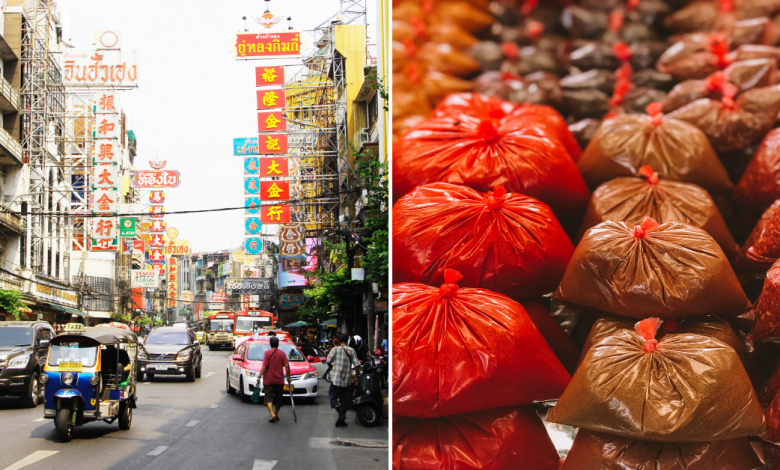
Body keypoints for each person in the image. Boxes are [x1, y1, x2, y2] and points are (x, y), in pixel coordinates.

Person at [326, 333, 359, 427]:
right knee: (345, 400)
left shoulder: (335, 350)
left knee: (332, 397)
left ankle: (340, 413)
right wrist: (356, 377)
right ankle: (342, 419)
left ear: (338, 341)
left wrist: (332, 368)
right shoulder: (351, 350)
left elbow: (328, 361)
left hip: (336, 379)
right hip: (347, 379)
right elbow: (357, 364)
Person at [257, 336, 291, 423]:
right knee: (278, 397)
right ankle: (276, 415)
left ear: (270, 344)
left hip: (268, 379)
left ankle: (272, 414)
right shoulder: (282, 353)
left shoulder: (267, 353)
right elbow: (287, 366)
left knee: (269, 396)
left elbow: (265, 366)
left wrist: (259, 376)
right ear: (278, 344)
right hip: (279, 379)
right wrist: (288, 377)